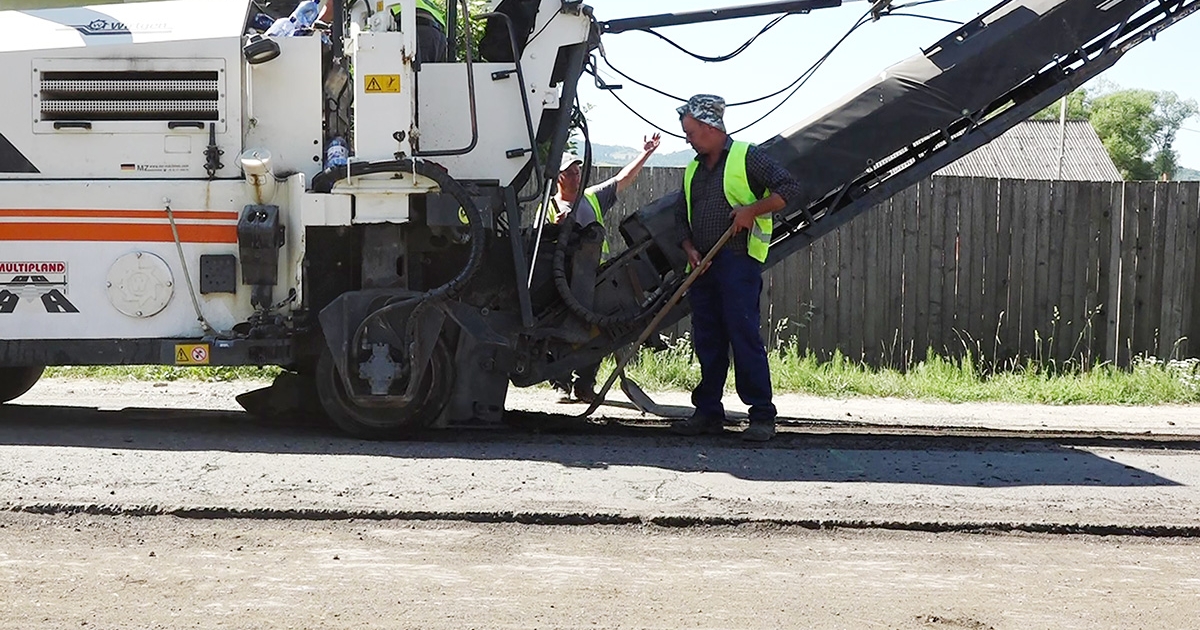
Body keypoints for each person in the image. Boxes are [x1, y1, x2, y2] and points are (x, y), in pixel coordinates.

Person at [669, 94, 802, 442]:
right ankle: (708, 412)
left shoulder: (747, 156)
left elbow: (789, 188)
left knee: (743, 336)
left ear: (711, 128)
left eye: (691, 132)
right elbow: (681, 219)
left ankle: (761, 415)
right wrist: (689, 249)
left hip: (737, 262)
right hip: (704, 267)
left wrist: (751, 211)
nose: (687, 139)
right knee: (707, 339)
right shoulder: (693, 169)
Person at [550, 133, 662, 402]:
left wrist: (645, 153)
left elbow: (622, 179)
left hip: (597, 277)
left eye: (578, 171)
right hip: (566, 284)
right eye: (570, 173)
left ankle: (585, 384)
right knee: (566, 332)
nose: (576, 176)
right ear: (558, 178)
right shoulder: (552, 208)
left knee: (599, 333)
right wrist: (556, 227)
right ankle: (559, 377)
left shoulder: (591, 199)